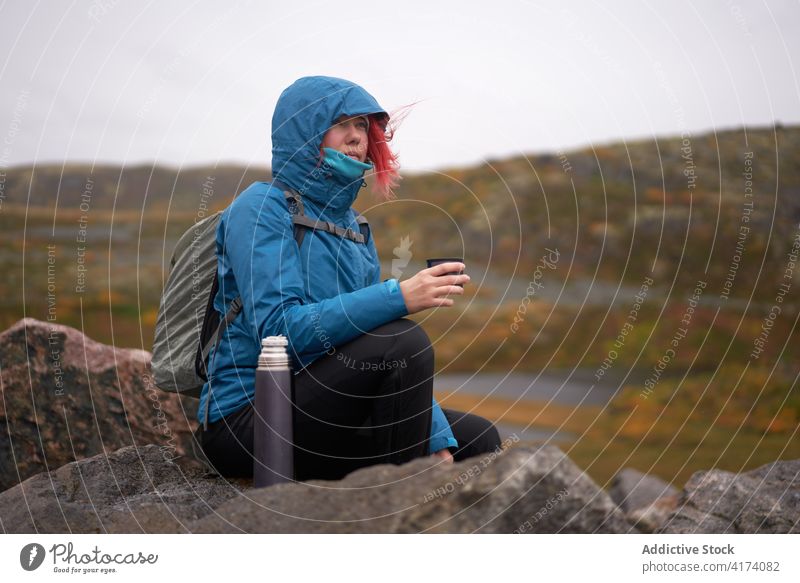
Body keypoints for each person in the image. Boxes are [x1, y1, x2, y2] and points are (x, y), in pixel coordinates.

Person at [197, 76, 501, 481]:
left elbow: (364, 344)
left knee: (478, 439)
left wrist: (437, 440)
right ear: (306, 132)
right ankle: (398, 510)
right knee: (403, 340)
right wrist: (398, 296)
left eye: (362, 126)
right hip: (250, 418)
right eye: (342, 124)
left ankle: (409, 495)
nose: (356, 136)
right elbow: (278, 330)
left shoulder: (356, 228)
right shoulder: (261, 207)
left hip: (325, 406)